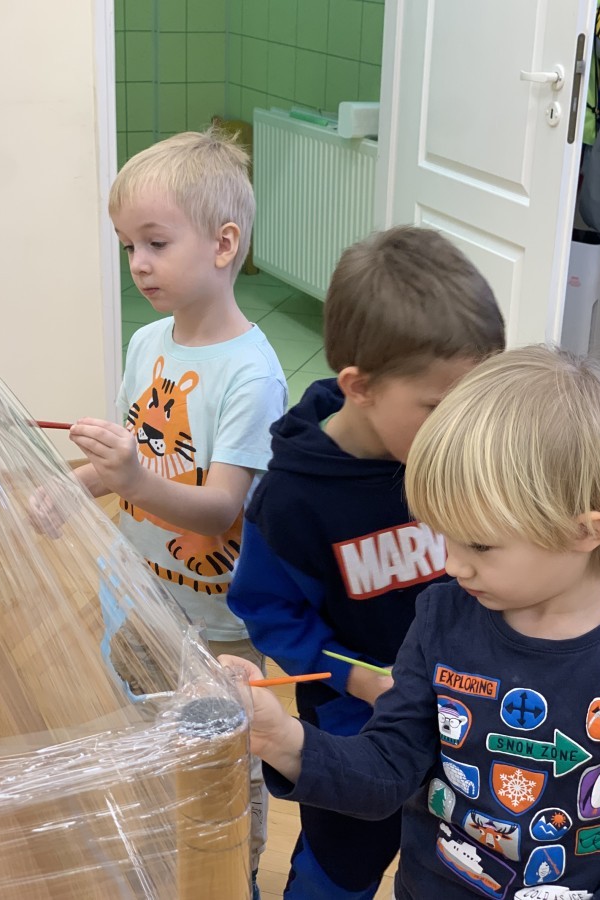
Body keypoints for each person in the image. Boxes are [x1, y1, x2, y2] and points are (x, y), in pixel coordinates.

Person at [221, 345, 600, 900]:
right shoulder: (440, 618)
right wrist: (283, 738)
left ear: (585, 531)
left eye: (479, 545)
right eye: (442, 536)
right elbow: (387, 767)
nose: (451, 565)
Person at [226, 226, 506, 899]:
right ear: (360, 387)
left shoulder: (450, 455)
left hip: (468, 719)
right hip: (356, 730)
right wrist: (359, 680)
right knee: (338, 870)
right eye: (439, 407)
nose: (462, 428)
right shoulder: (289, 501)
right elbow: (268, 613)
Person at [68, 127, 288, 899]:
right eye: (129, 245)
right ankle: (167, 863)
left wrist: (129, 474)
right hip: (137, 596)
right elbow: (130, 463)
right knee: (149, 744)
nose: (138, 263)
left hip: (216, 621)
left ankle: (230, 878)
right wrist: (73, 487)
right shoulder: (146, 342)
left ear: (223, 244)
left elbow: (222, 507)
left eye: (156, 243)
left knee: (221, 762)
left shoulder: (251, 376)